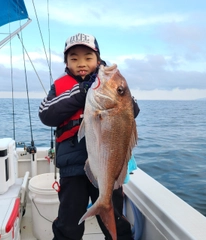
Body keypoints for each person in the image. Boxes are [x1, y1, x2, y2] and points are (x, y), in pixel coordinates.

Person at [39, 33, 140, 240]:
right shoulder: (60, 87)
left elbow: (133, 110)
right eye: (74, 58)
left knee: (116, 221)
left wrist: (112, 90)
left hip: (108, 171)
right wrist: (80, 92)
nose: (81, 63)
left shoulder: (110, 82)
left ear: (98, 59)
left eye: (88, 57)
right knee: (69, 223)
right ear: (66, 62)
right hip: (72, 169)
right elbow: (45, 113)